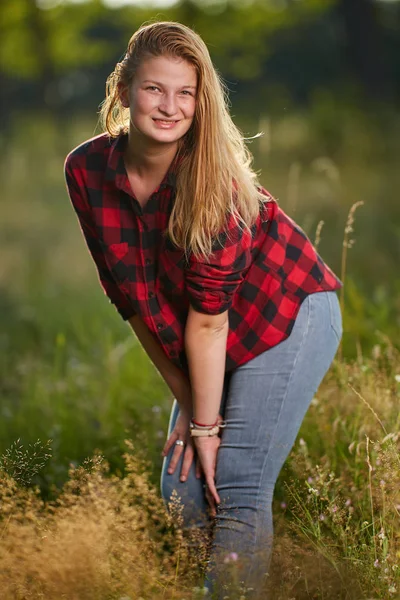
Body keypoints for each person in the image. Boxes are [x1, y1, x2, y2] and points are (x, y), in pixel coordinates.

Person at [64, 21, 342, 598]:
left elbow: (211, 319)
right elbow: (129, 298)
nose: (169, 107)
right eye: (153, 90)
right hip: (204, 335)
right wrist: (190, 406)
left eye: (185, 93)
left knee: (236, 484)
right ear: (123, 91)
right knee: (183, 491)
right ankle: (252, 570)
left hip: (283, 314)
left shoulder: (213, 182)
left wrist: (208, 427)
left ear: (201, 100)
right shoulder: (86, 171)